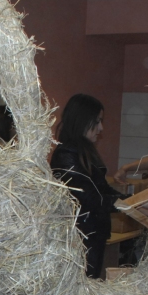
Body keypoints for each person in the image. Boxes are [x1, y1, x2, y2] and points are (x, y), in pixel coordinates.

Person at [50, 94, 127, 278]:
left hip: (92, 235)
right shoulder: (66, 155)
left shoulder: (83, 151)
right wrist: (130, 204)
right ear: (83, 120)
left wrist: (135, 202)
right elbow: (90, 197)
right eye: (97, 121)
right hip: (79, 237)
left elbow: (102, 189)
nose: (101, 128)